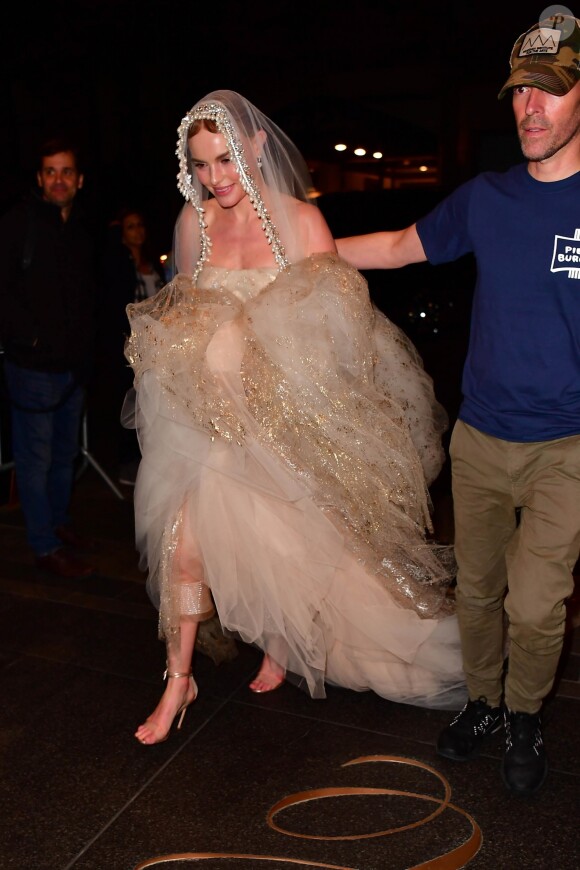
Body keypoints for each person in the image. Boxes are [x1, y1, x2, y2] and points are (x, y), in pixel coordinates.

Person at [123, 89, 466, 746]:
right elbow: (180, 320)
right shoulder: (194, 225)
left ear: (255, 147)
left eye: (226, 159)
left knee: (281, 557)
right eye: (201, 165)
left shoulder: (301, 225)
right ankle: (178, 680)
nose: (217, 178)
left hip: (284, 424)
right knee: (185, 548)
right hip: (208, 428)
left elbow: (335, 337)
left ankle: (280, 645)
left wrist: (253, 353)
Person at [336, 13, 580, 798]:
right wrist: (304, 246)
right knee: (476, 589)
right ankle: (482, 703)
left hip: (566, 448)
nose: (531, 109)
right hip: (479, 439)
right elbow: (402, 245)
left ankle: (525, 714)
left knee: (538, 605)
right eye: (520, 93)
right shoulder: (488, 197)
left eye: (552, 90)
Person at [0, 138, 98, 578]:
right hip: (32, 369)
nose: (59, 180)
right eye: (50, 172)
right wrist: (32, 341)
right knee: (35, 461)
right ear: (40, 179)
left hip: (72, 368)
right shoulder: (18, 223)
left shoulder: (81, 228)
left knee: (65, 456)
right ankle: (44, 545)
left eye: (66, 171)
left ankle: (58, 524)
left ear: (79, 179)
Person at [99, 208, 166, 486]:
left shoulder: (155, 264)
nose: (136, 231)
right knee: (132, 401)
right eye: (130, 227)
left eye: (139, 225)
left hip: (159, 344)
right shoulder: (118, 263)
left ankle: (153, 458)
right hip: (130, 345)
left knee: (157, 403)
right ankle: (127, 463)